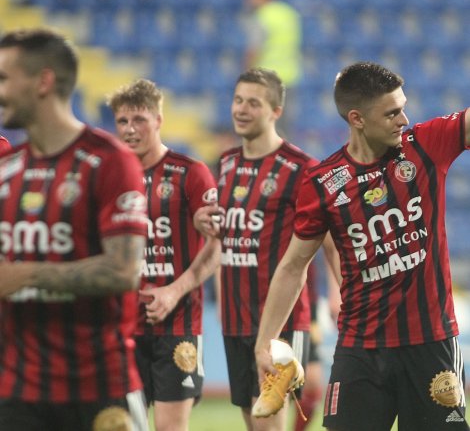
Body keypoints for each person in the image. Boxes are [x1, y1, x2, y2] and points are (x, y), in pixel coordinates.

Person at [255, 61, 470, 431]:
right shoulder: (323, 183)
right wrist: (264, 344)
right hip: (360, 350)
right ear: (357, 118)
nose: (404, 119)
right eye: (391, 113)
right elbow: (293, 266)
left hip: (431, 344)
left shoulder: (426, 145)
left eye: (403, 107)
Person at [0, 27, 149, 431]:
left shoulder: (108, 161)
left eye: (4, 79)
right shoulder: (8, 172)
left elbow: (123, 271)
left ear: (43, 82)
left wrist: (27, 274)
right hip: (18, 395)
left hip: (99, 390)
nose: (0, 92)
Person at [195, 67, 339, 431]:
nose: (241, 109)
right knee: (251, 419)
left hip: (282, 322)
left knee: (269, 424)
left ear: (275, 111)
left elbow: (331, 242)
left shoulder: (303, 169)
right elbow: (221, 238)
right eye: (238, 100)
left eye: (253, 103)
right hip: (234, 317)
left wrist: (340, 292)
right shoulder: (225, 164)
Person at [108, 78, 220, 431]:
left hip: (178, 327)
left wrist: (174, 290)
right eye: (122, 121)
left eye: (138, 119)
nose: (129, 129)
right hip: (122, 328)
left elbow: (218, 247)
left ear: (158, 119)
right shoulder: (109, 177)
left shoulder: (191, 173)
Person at [243, 0, 302, 138]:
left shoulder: (262, 16)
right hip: (289, 77)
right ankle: (287, 160)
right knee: (284, 125)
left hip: (267, 80)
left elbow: (254, 49)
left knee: (266, 125)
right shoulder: (289, 13)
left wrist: (246, 72)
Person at [292, 262, 341, 431]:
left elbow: (330, 244)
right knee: (274, 383)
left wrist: (335, 290)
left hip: (305, 302)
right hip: (271, 299)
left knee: (312, 384)